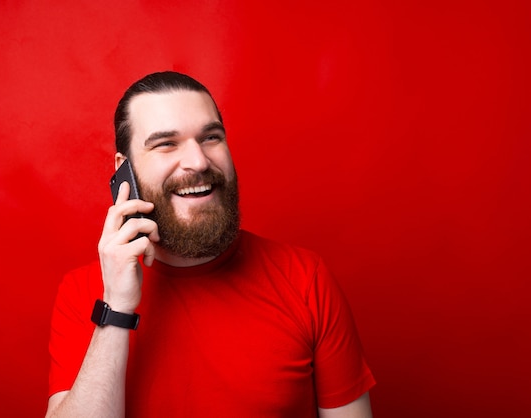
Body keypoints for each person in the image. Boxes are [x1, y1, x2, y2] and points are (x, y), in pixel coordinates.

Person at [45, 71, 375, 418]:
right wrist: (117, 308)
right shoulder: (82, 293)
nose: (199, 161)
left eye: (211, 137)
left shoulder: (306, 278)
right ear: (124, 170)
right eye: (166, 144)